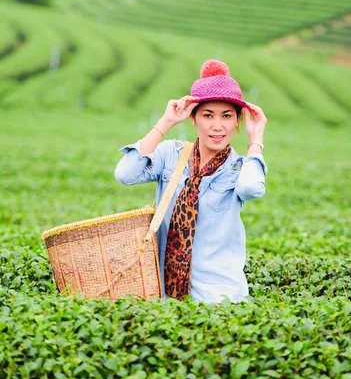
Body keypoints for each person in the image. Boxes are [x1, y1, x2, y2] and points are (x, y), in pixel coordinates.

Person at [114, 59, 268, 304]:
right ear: (194, 118)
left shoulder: (240, 167)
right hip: (167, 297)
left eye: (227, 116)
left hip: (219, 298)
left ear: (237, 120)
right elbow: (125, 173)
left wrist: (256, 139)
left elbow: (251, 188)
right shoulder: (171, 155)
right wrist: (166, 123)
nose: (217, 126)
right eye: (208, 115)